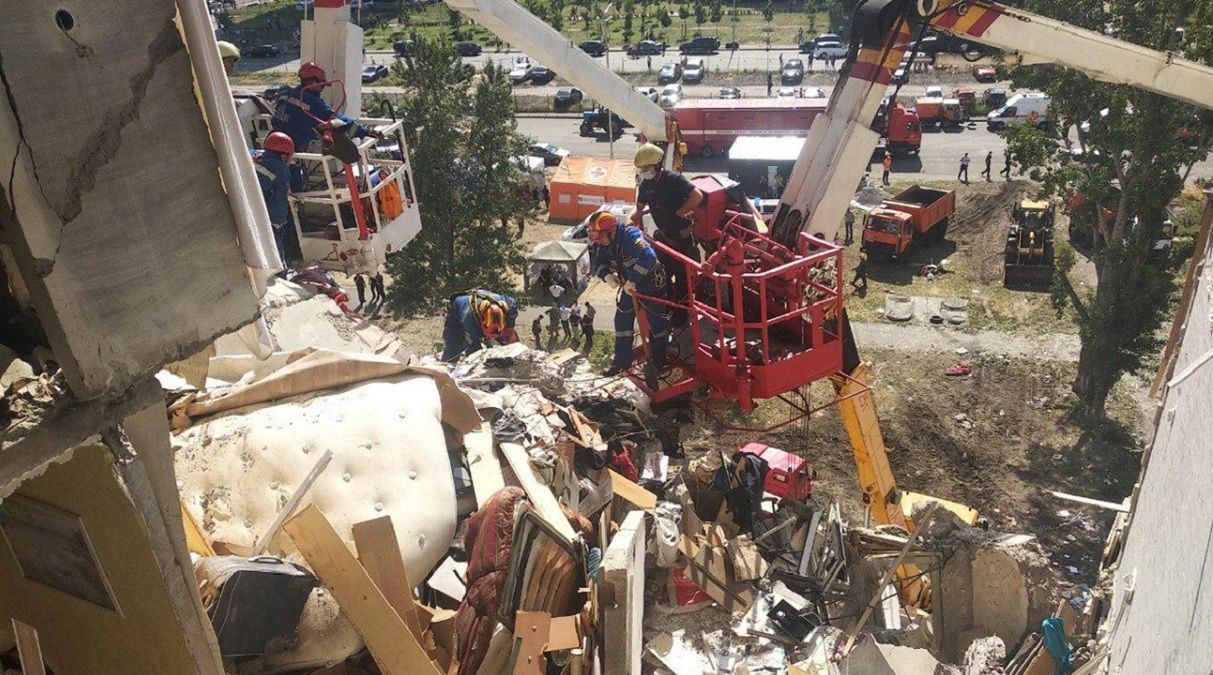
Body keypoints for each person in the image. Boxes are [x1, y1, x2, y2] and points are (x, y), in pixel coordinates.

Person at [589, 211, 670, 389]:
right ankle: (621, 362)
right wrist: (606, 276)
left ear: (611, 231)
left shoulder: (631, 236)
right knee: (622, 321)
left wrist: (632, 279)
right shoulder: (607, 243)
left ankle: (658, 361)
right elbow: (599, 262)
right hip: (630, 286)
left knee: (656, 324)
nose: (600, 241)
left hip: (651, 285)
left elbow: (649, 258)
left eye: (602, 237)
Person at [632, 143, 703, 327]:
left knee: (683, 282)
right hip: (663, 238)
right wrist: (632, 219)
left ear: (657, 165)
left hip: (681, 239)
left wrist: (682, 211)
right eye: (642, 169)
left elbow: (698, 196)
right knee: (660, 277)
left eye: (646, 168)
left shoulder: (674, 180)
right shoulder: (647, 184)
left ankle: (681, 317)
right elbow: (639, 208)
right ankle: (667, 309)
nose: (644, 172)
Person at [272, 62, 377, 160]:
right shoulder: (311, 101)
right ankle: (337, 150)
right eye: (321, 85)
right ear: (312, 82)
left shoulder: (287, 94)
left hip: (275, 142)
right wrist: (364, 131)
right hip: (299, 144)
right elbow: (332, 116)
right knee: (336, 125)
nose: (322, 89)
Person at [254, 131, 296, 273]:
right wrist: (279, 224)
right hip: (266, 215)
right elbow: (279, 201)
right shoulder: (281, 169)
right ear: (284, 155)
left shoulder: (253, 155)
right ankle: (280, 274)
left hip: (248, 208)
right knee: (275, 251)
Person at [441, 289, 520, 361]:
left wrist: (514, 348)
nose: (493, 337)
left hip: (491, 315)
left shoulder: (510, 309)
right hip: (455, 318)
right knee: (454, 349)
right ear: (482, 324)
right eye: (491, 334)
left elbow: (510, 334)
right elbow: (474, 353)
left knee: (511, 340)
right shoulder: (470, 322)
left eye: (498, 332)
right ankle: (445, 368)